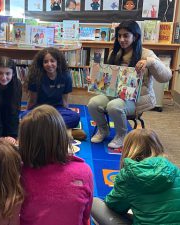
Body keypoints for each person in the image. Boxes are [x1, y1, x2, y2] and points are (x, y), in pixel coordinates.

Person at [87, 20, 172, 148]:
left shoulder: (147, 54)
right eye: (119, 36)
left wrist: (150, 62)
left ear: (135, 36)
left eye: (126, 35)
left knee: (114, 106)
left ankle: (122, 135)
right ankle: (103, 130)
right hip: (115, 94)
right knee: (93, 103)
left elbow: (166, 76)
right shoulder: (114, 53)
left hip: (136, 99)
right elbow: (108, 80)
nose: (122, 39)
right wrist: (95, 81)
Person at [19, 104, 93, 225]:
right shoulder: (84, 170)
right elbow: (86, 216)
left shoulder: (19, 173)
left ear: (24, 141)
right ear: (62, 136)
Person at [91, 129, 180, 225]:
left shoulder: (129, 176)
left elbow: (113, 206)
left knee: (95, 203)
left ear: (128, 149)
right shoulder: (174, 169)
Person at [23, 47, 86, 140]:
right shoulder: (35, 76)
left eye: (52, 61)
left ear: (58, 62)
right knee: (24, 117)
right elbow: (32, 100)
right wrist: (27, 114)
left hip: (57, 109)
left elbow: (65, 101)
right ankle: (63, 132)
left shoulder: (66, 76)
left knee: (75, 117)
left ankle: (43, 132)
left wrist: (66, 112)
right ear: (42, 64)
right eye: (46, 62)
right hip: (40, 109)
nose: (49, 64)